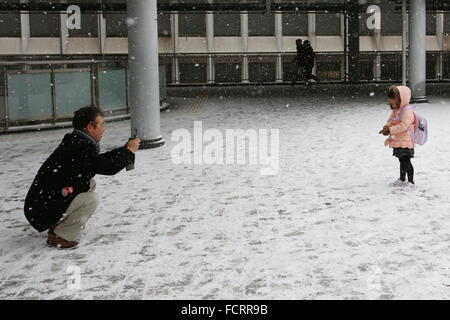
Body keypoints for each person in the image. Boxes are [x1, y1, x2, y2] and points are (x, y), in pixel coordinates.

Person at [24, 106, 141, 249]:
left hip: (41, 204)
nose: (104, 129)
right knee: (91, 200)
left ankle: (58, 224)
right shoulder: (80, 147)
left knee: (89, 184)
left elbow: (99, 162)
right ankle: (61, 236)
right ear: (90, 127)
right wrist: (128, 151)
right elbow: (108, 168)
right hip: (40, 210)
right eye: (101, 124)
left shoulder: (76, 140)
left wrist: (124, 150)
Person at [378, 85, 416, 189]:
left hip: (406, 140)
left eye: (393, 100)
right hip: (398, 140)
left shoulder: (407, 111)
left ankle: (411, 182)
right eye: (390, 101)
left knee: (406, 161)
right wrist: (387, 127)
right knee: (401, 160)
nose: (391, 103)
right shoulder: (396, 110)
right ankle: (402, 179)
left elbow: (404, 125)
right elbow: (391, 120)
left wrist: (390, 130)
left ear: (401, 99)